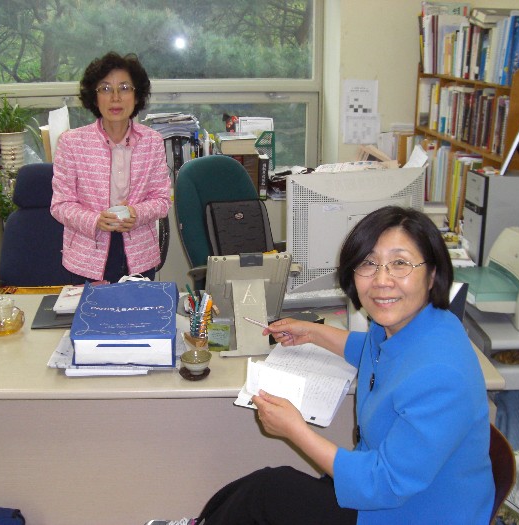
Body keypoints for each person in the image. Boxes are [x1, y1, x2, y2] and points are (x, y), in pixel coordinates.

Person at [148, 205, 494, 525]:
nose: (382, 280)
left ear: (432, 274)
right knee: (258, 489)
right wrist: (312, 332)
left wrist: (296, 431)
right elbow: (370, 349)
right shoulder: (418, 325)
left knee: (269, 492)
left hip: (409, 512)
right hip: (388, 493)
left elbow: (384, 484)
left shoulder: (440, 374)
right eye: (369, 264)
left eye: (400, 263)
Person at [51, 52, 171, 284]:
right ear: (94, 97)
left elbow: (162, 200)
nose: (115, 97)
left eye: (124, 88)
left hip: (139, 255)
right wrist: (95, 220)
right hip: (87, 255)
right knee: (92, 308)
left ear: (137, 96)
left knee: (137, 308)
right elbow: (61, 204)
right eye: (105, 89)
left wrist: (137, 213)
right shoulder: (72, 142)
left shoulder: (153, 141)